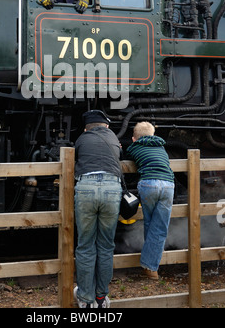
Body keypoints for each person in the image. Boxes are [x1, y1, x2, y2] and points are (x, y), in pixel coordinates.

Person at [73, 110, 123, 308]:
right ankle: (101, 298)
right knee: (106, 245)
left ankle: (85, 299)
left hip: (86, 187)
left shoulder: (82, 138)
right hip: (112, 188)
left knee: (85, 245)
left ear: (87, 128)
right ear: (107, 126)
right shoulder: (112, 137)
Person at [126, 122, 174, 280]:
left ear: (135, 138)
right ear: (153, 135)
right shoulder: (161, 147)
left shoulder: (135, 147)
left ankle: (150, 267)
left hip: (149, 184)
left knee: (149, 224)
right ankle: (150, 268)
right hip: (168, 185)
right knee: (159, 228)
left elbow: (128, 155)